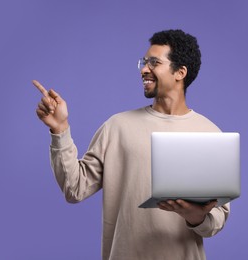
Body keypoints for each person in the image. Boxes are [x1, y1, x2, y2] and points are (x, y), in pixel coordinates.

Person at [33, 29, 229, 260]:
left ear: (180, 72)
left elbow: (216, 221)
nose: (144, 69)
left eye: (154, 62)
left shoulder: (209, 133)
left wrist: (195, 216)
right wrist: (60, 129)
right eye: (144, 62)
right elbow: (74, 188)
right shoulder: (117, 126)